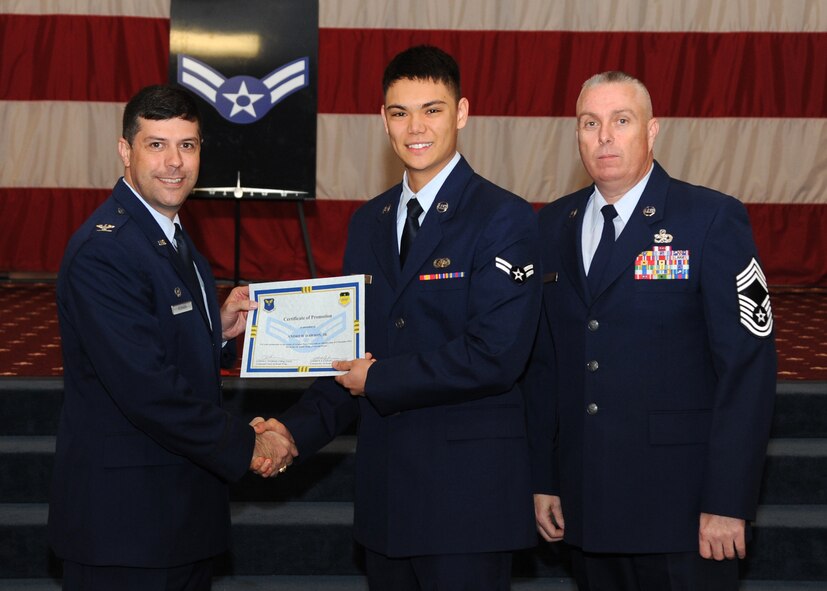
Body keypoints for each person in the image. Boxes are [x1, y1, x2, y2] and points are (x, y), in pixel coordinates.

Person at [255, 45, 541, 589]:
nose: (416, 127)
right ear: (383, 119)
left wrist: (378, 379)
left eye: (432, 109)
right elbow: (349, 357)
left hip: (467, 506)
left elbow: (495, 356)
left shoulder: (504, 218)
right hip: (388, 503)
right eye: (399, 112)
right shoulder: (369, 222)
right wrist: (290, 431)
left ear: (461, 113)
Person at [525, 71, 777, 590]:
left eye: (622, 120)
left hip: (682, 512)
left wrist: (728, 501)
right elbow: (546, 365)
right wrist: (544, 477)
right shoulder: (552, 226)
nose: (605, 137)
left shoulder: (709, 219)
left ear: (652, 129)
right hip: (587, 501)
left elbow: (745, 370)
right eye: (590, 123)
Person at [48, 84, 297, 591]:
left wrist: (217, 330)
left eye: (188, 145)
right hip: (125, 530)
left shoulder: (171, 234)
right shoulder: (107, 251)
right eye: (156, 144)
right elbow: (147, 389)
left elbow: (159, 338)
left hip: (176, 518)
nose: (175, 163)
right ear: (126, 150)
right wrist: (249, 444)